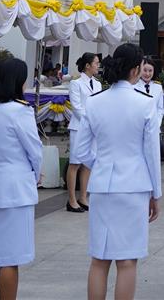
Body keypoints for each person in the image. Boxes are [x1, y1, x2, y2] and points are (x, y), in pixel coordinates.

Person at [85, 42, 161, 300]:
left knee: (100, 258)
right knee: (127, 260)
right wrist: (156, 193)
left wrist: (102, 165)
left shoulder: (94, 102)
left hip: (102, 184)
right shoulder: (145, 103)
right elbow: (151, 153)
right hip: (134, 185)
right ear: (135, 70)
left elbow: (82, 150)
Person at [0, 57, 41, 300]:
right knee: (9, 258)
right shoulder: (20, 111)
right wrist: (36, 173)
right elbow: (34, 151)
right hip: (15, 187)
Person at [67, 52, 101, 214]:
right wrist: (90, 122)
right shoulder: (76, 83)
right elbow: (76, 107)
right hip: (79, 127)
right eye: (96, 63)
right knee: (75, 163)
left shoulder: (98, 84)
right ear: (87, 65)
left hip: (94, 128)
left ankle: (83, 197)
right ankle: (72, 199)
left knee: (88, 163)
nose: (98, 65)